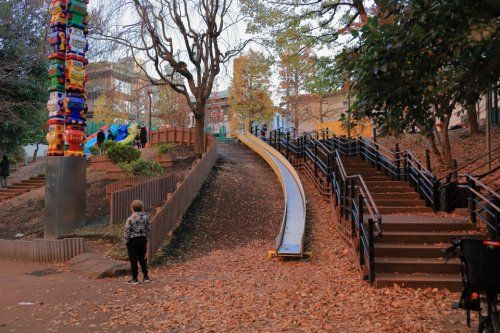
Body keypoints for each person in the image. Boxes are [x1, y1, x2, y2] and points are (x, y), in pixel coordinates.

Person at [124, 200, 151, 285]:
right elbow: (148, 229)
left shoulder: (130, 219)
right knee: (143, 258)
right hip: (142, 239)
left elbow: (127, 231)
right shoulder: (145, 217)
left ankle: (135, 279)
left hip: (133, 241)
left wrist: (126, 241)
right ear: (141, 208)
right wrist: (146, 239)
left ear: (132, 208)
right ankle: (146, 277)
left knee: (133, 260)